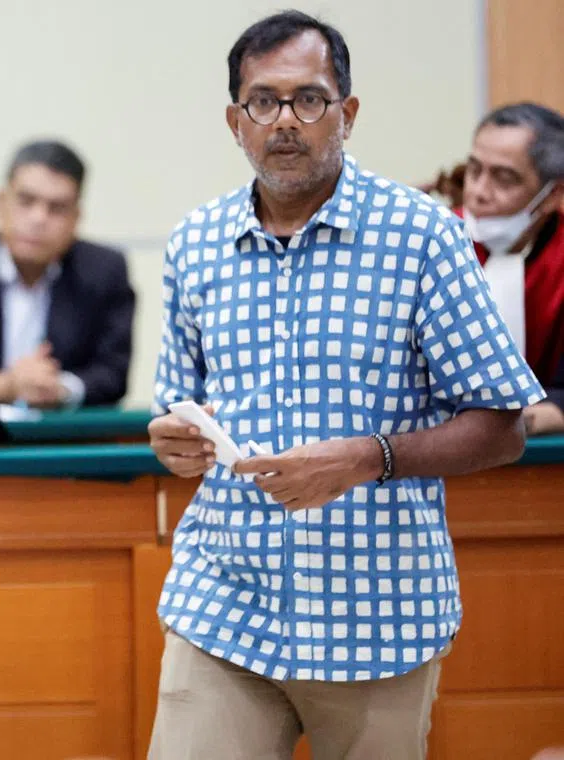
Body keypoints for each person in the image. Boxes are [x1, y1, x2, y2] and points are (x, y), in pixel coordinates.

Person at [146, 11, 544, 760]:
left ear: (347, 113)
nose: (284, 121)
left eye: (309, 99)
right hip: (223, 608)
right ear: (235, 121)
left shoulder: (422, 235)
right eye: (263, 101)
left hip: (378, 620)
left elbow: (503, 427)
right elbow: (178, 410)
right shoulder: (196, 242)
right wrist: (171, 440)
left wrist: (368, 457)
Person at [0, 140, 134, 410]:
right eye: (26, 201)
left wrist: (62, 388)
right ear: (0, 203)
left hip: (64, 434)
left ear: (76, 218)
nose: (39, 218)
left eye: (57, 208)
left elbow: (114, 374)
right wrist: (1, 386)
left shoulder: (104, 272)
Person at [458, 102, 564, 435]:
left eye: (504, 179)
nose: (478, 192)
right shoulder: (433, 239)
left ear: (553, 194)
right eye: (473, 170)